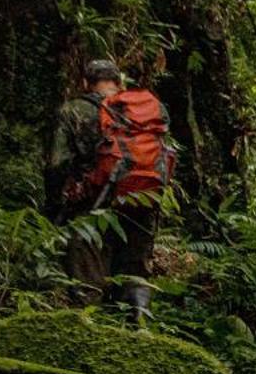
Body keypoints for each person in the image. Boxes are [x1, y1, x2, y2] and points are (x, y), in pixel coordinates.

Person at [47, 58, 172, 322]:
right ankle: (140, 329)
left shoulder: (74, 111)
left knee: (88, 279)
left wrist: (57, 203)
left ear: (85, 83)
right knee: (135, 274)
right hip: (142, 202)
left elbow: (58, 165)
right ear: (118, 82)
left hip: (94, 206)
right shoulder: (149, 109)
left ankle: (92, 332)